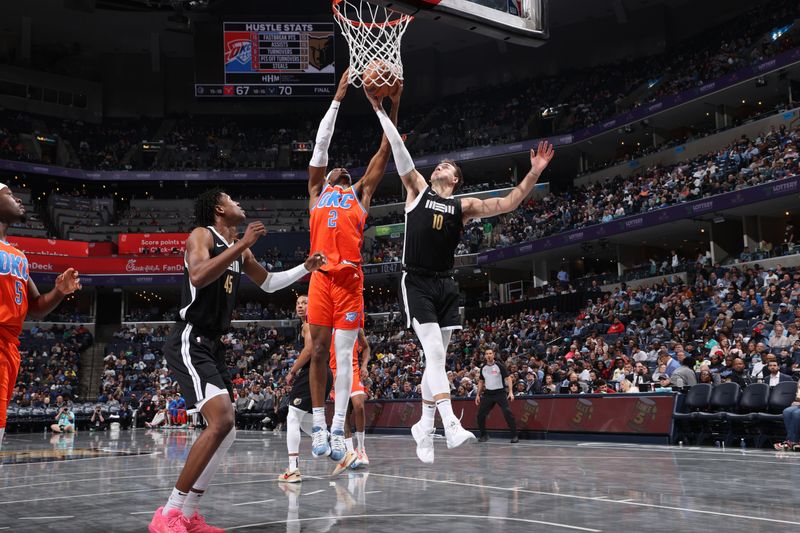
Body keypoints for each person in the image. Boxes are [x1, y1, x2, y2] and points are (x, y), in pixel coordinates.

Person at [364, 88, 554, 463]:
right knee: (433, 353)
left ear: (456, 179)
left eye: (447, 166)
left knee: (436, 362)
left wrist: (533, 172)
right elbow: (400, 154)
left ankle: (424, 425)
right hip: (415, 280)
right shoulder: (416, 189)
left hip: (447, 285)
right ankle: (449, 423)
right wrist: (378, 109)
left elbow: (508, 203)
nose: (439, 167)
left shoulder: (462, 206)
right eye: (438, 164)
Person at [148, 189, 326, 533]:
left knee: (226, 432)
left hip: (213, 344)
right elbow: (198, 276)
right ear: (219, 208)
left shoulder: (237, 252)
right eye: (232, 199)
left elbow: (270, 284)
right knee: (221, 420)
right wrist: (242, 245)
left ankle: (189, 514)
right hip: (190, 337)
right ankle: (168, 514)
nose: (239, 204)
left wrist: (305, 268)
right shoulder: (201, 235)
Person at [306, 70, 401, 463]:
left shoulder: (359, 193)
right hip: (319, 278)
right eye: (334, 170)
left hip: (349, 280)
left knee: (342, 358)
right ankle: (317, 423)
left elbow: (385, 150)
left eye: (345, 171)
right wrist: (337, 99)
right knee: (318, 353)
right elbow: (319, 149)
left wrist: (391, 105)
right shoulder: (316, 193)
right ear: (327, 178)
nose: (340, 169)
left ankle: (337, 428)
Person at [0, 183, 81, 450]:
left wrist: (58, 291)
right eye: (9, 194)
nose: (18, 199)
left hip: (10, 348)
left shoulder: (19, 255)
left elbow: (36, 307)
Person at [279, 294, 334, 484]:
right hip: (324, 373)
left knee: (292, 416)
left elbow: (309, 350)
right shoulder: (316, 323)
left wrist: (292, 371)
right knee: (306, 423)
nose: (300, 306)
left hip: (312, 372)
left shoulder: (309, 324)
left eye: (305, 303)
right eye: (298, 303)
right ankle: (339, 450)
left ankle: (293, 469)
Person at [329, 328, 371, 474]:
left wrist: (364, 366)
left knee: (359, 406)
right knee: (344, 414)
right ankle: (350, 451)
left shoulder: (354, 327)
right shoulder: (326, 328)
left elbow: (365, 347)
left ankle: (361, 449)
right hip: (335, 372)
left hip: (353, 370)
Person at [475, 349, 518, 443]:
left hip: (500, 393)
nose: (488, 355)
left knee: (507, 412)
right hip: (488, 394)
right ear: (485, 356)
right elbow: (481, 381)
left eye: (490, 353)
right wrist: (478, 394)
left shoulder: (499, 366)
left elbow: (508, 378)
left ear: (493, 355)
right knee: (480, 415)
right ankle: (484, 435)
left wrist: (510, 392)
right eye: (486, 354)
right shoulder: (483, 368)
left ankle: (514, 435)